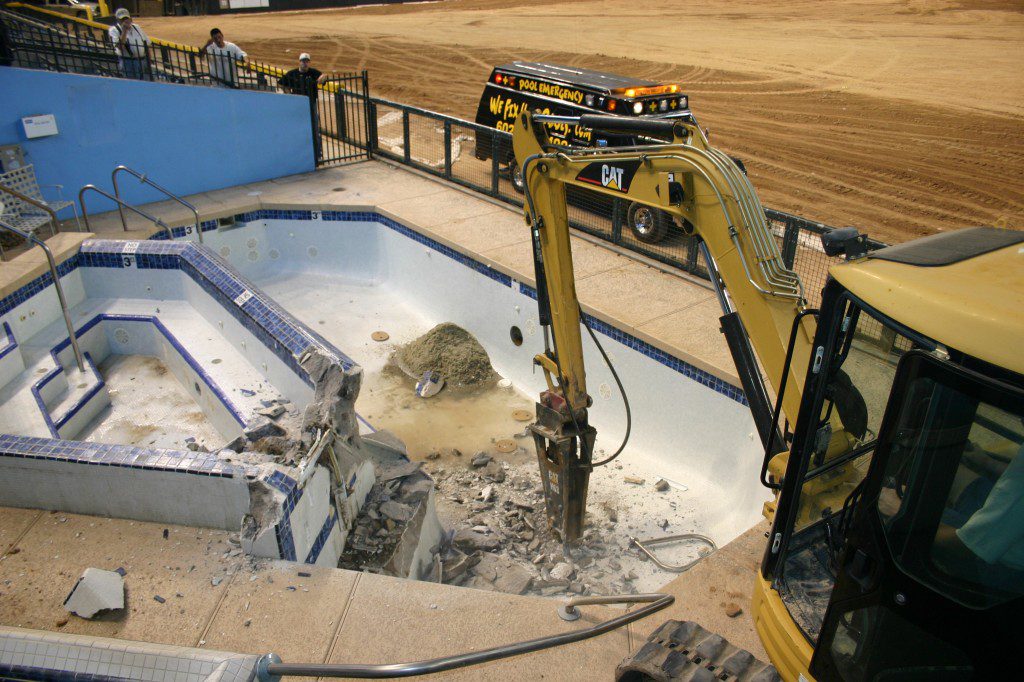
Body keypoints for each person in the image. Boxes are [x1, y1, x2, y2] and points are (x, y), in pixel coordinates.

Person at [279, 53, 329, 160]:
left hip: (311, 103)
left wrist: (323, 77)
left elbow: (324, 77)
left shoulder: (313, 72)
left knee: (315, 128)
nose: (305, 63)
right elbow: (280, 84)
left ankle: (317, 154)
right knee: (299, 127)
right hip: (298, 104)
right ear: (299, 62)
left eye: (307, 61)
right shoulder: (292, 73)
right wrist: (290, 95)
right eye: (303, 61)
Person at [107, 8, 151, 81]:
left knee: (145, 82)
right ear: (118, 20)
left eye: (126, 18)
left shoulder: (136, 27)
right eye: (122, 19)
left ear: (130, 19)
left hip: (142, 60)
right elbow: (120, 47)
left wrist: (149, 61)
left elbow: (146, 43)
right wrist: (124, 31)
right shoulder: (114, 30)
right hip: (128, 62)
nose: (125, 21)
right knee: (133, 83)